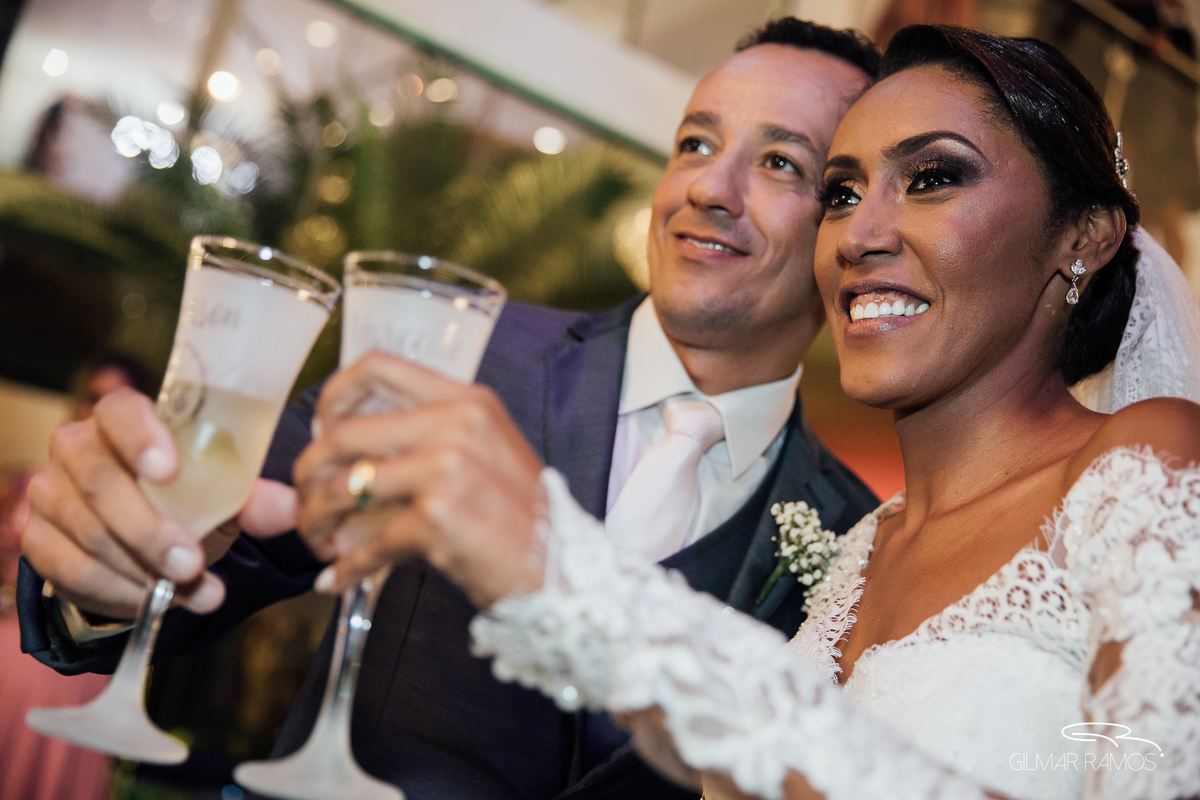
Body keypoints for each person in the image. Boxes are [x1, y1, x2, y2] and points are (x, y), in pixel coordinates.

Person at [284, 25, 1200, 800]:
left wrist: (569, 584)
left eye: (932, 178)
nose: (861, 234)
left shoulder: (1148, 460)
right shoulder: (860, 551)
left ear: (1083, 236)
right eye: (841, 193)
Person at [17, 19, 880, 800]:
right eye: (695, 143)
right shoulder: (460, 349)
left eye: (781, 163)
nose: (710, 187)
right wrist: (110, 567)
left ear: (848, 223)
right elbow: (225, 526)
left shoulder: (863, 542)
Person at [0, 353, 153, 800]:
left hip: (81, 668)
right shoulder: (23, 484)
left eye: (118, 402)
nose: (100, 412)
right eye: (94, 397)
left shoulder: (142, 509)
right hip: (9, 653)